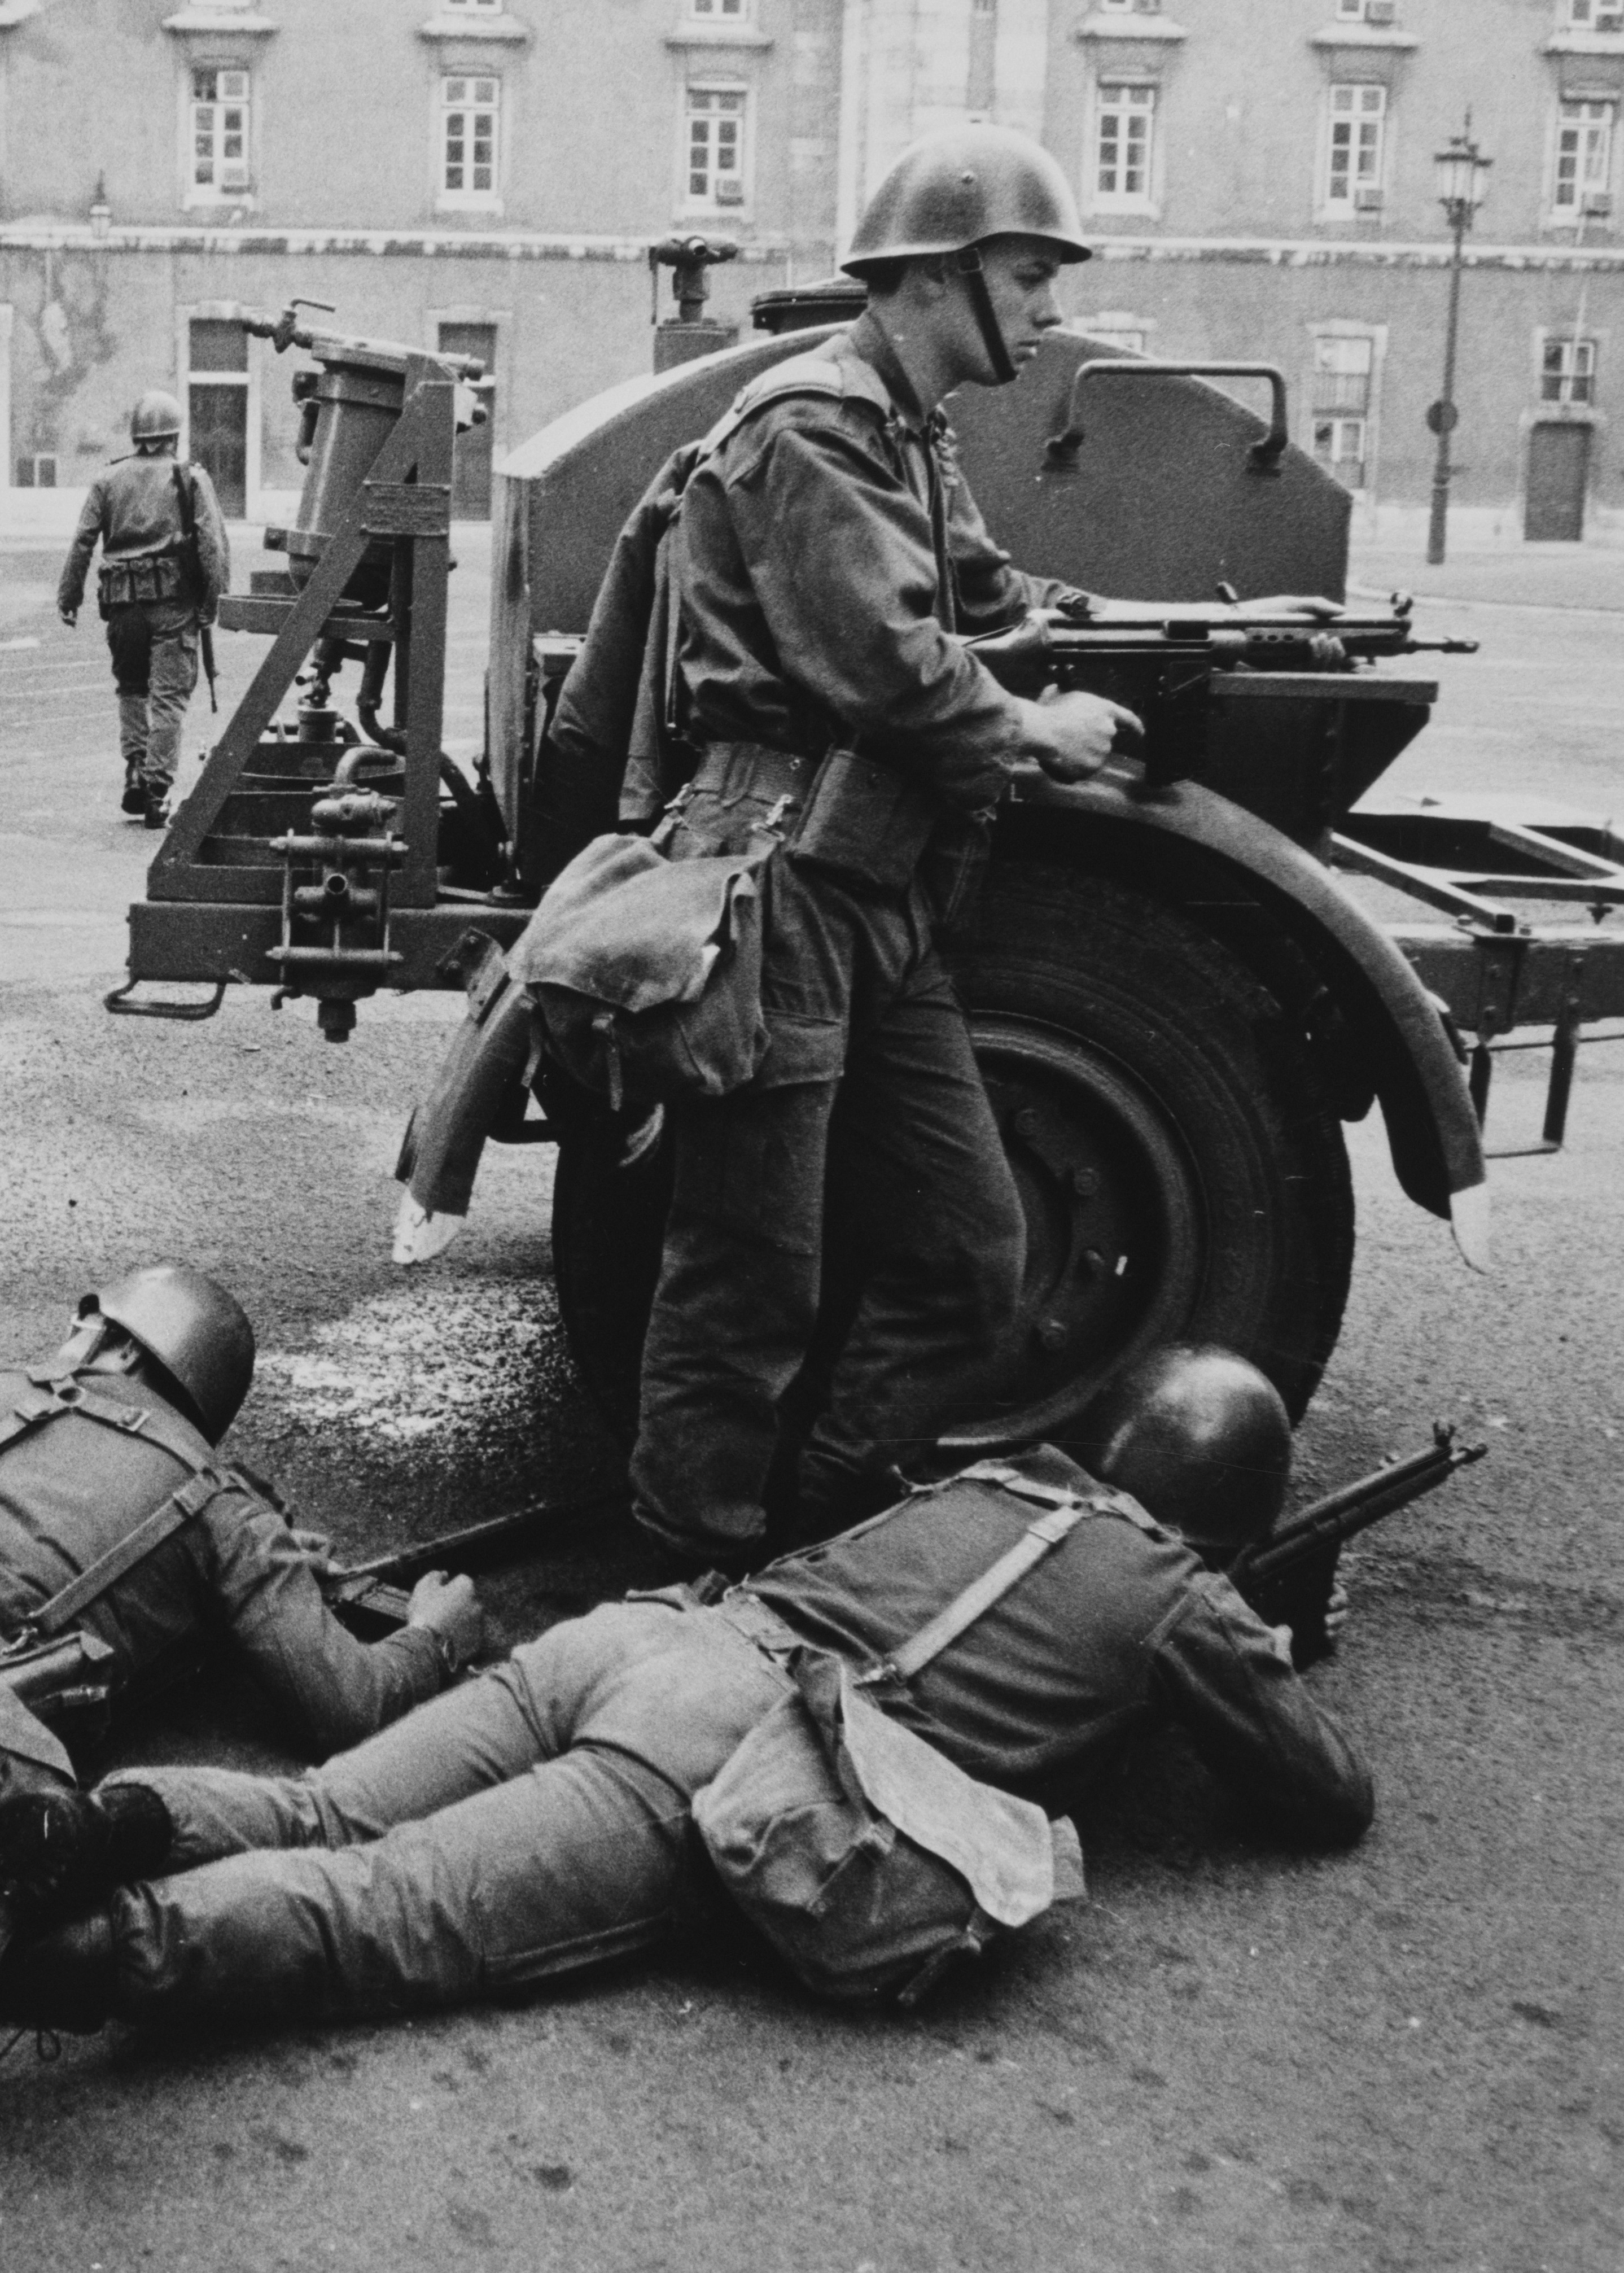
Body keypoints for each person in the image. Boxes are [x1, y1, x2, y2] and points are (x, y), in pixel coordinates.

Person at [0, 1347, 1372, 2038]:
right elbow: (1325, 1796)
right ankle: (61, 1961)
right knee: (381, 1912)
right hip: (719, 1751)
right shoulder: (1183, 1598)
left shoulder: (995, 1480)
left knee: (321, 1815)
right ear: (1234, 1522)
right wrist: (1263, 1628)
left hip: (639, 1641)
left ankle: (104, 1826)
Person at [623, 123, 1149, 1575]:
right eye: (1030, 277)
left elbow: (981, 590)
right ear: (938, 278)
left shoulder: (907, 436)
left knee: (969, 1255)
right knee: (747, 1281)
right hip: (781, 881)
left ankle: (818, 1539)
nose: (1047, 312)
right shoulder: (817, 426)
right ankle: (687, 1587)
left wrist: (1121, 627)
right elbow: (892, 662)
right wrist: (1037, 730)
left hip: (870, 894)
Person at [0, 1264, 482, 1839]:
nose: (69, 1338)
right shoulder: (224, 1507)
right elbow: (351, 1705)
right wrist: (434, 1636)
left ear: (127, 1350)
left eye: (85, 1324)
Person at [56, 390, 230, 828]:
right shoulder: (190, 477)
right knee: (169, 697)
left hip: (122, 606)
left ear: (137, 436)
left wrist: (70, 596)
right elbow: (212, 545)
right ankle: (156, 789)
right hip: (174, 606)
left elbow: (82, 541)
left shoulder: (108, 479)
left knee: (132, 688)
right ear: (174, 434)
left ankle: (135, 767)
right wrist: (211, 603)